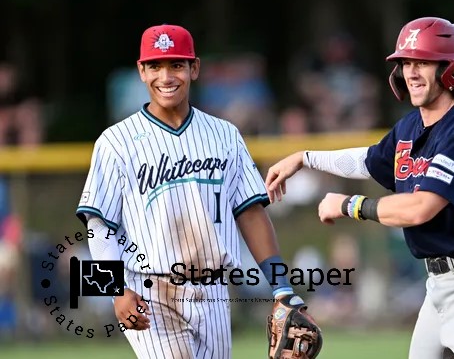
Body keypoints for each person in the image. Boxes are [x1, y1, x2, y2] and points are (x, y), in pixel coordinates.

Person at [266, 17, 454, 359]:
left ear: (450, 69)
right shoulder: (411, 127)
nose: (411, 72)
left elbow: (420, 208)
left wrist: (350, 205)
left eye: (423, 62)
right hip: (439, 287)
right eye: (405, 62)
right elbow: (368, 159)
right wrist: (305, 157)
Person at [76, 24, 315, 359]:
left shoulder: (225, 135)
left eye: (176, 65)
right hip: (150, 289)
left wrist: (283, 288)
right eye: (155, 66)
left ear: (194, 68)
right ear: (141, 71)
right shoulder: (116, 142)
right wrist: (115, 291)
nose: (166, 76)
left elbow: (250, 213)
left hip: (214, 291)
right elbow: (99, 225)